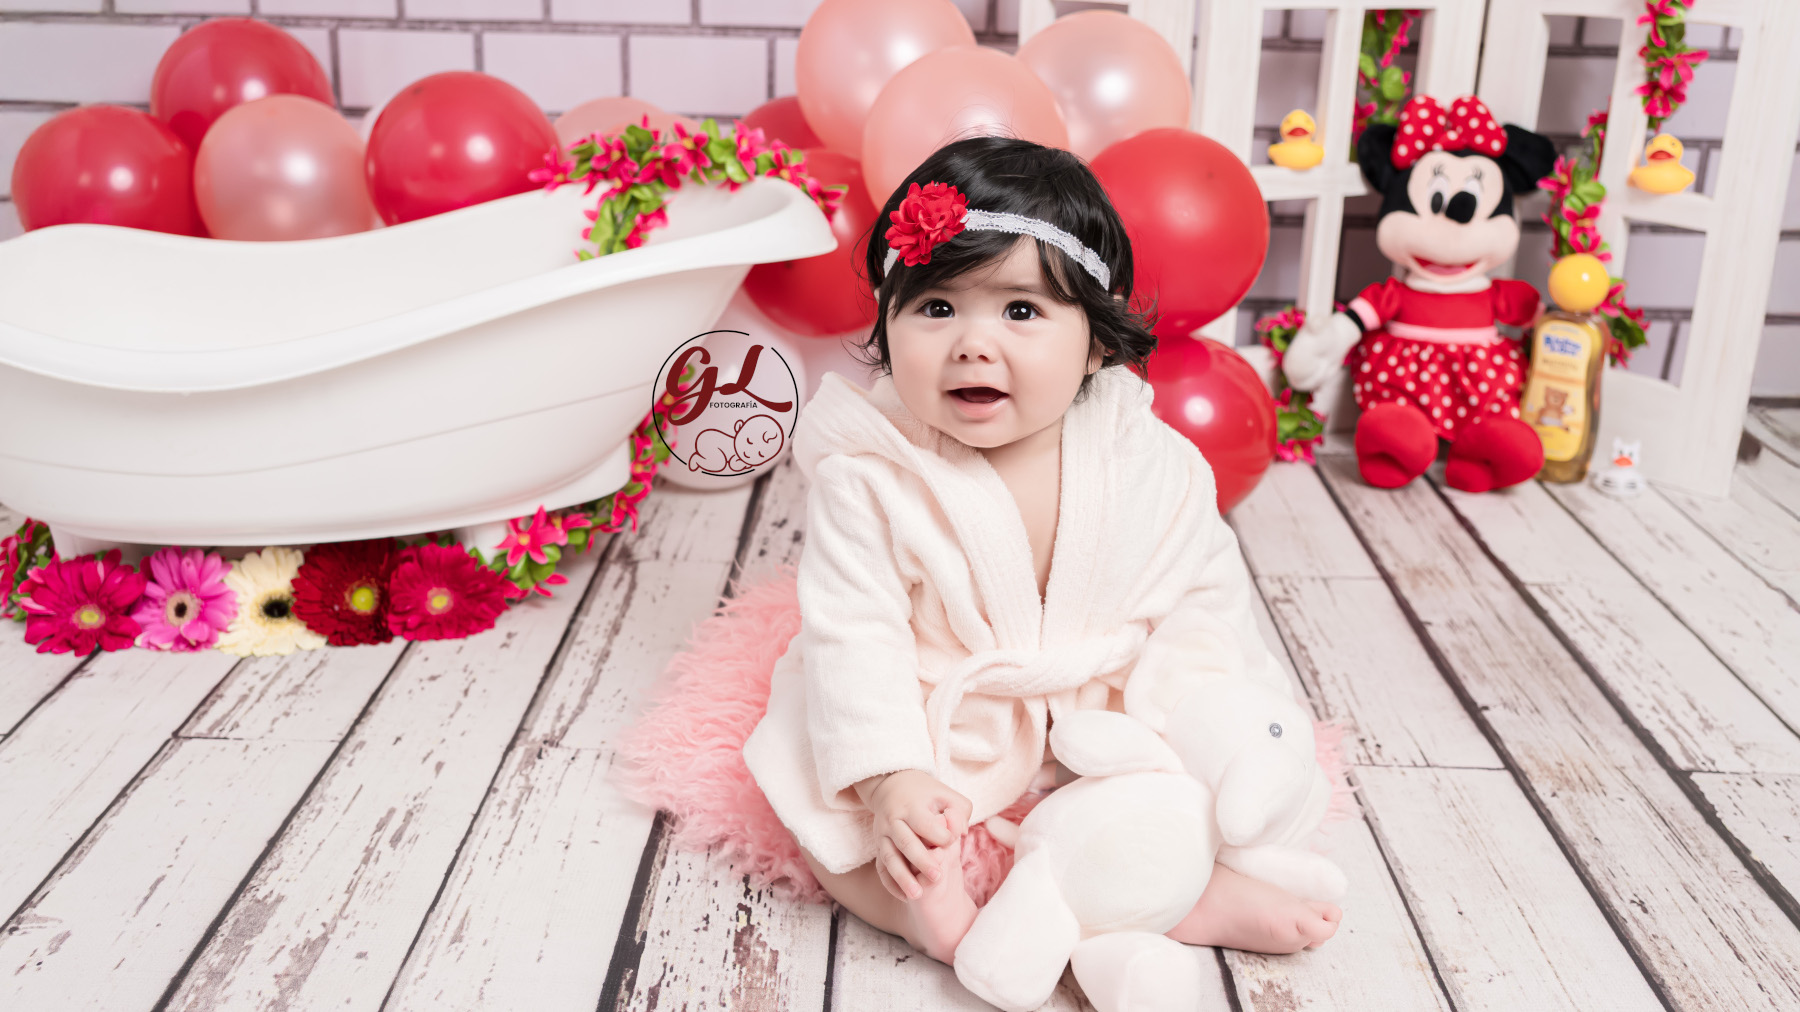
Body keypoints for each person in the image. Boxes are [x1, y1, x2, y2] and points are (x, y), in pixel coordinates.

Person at [736, 135, 1344, 966]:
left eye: (1020, 311)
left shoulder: (1149, 460)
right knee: (817, 810)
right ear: (886, 323)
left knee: (1185, 809)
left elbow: (1204, 598)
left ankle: (1197, 897)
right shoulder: (869, 475)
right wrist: (891, 779)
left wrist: (1215, 715)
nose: (972, 343)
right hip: (944, 710)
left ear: (1096, 341)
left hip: (1108, 714)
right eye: (936, 308)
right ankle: (914, 907)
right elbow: (856, 635)